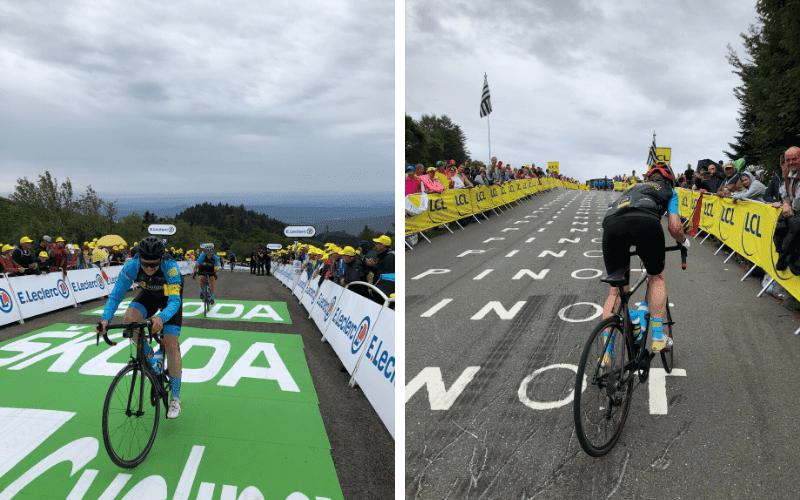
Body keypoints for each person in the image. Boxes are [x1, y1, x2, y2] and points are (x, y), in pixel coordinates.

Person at [601, 162, 688, 358]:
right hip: (645, 223)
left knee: (615, 290)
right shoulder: (669, 191)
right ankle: (658, 338)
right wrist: (683, 241)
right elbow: (674, 227)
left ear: (649, 178)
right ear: (669, 180)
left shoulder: (633, 187)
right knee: (656, 278)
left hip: (612, 225)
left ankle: (607, 353)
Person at [95, 236, 185, 419]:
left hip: (169, 301)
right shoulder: (131, 266)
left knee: (172, 345)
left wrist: (161, 318)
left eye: (154, 265)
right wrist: (105, 320)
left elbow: (175, 301)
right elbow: (116, 296)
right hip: (149, 296)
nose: (150, 269)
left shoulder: (171, 267)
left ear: (161, 259)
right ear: (139, 259)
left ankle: (175, 397)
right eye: (145, 264)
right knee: (129, 319)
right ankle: (151, 356)